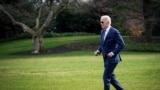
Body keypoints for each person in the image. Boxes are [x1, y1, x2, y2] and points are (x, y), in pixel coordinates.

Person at [94, 15, 125, 90]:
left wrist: (113, 53)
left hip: (113, 59)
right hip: (106, 58)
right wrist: (99, 50)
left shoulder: (114, 32)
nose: (101, 23)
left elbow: (122, 45)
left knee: (106, 77)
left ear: (108, 22)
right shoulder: (102, 31)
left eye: (102, 22)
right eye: (100, 22)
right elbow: (102, 44)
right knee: (112, 78)